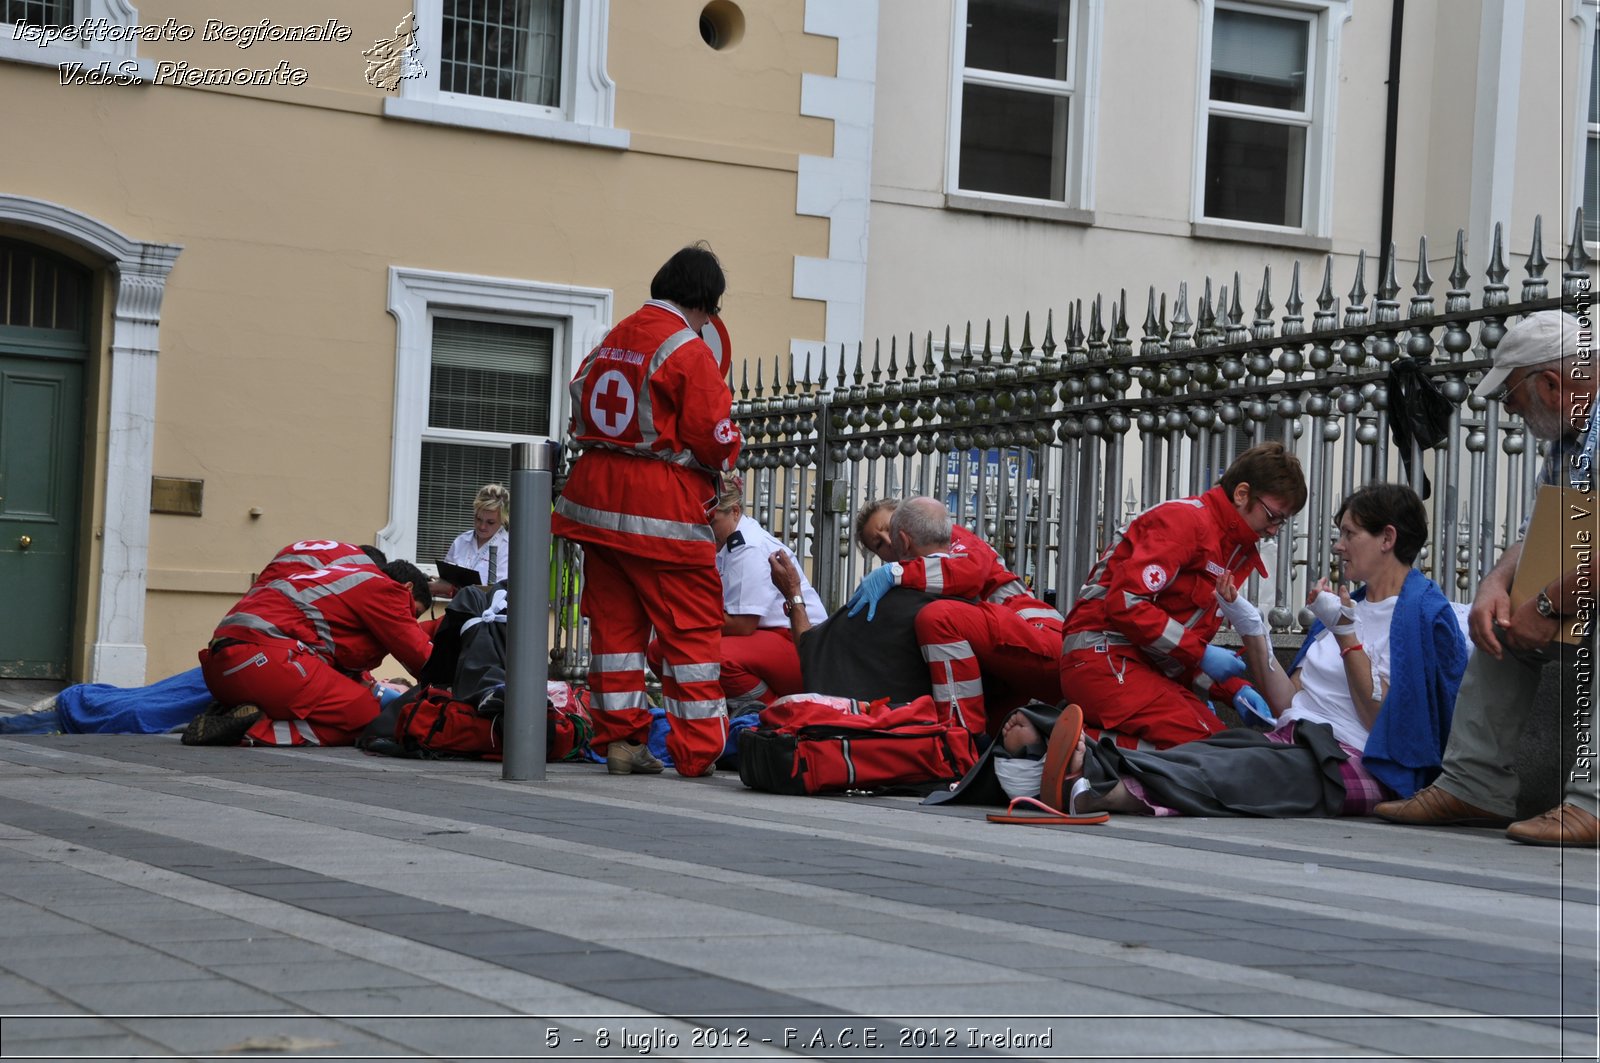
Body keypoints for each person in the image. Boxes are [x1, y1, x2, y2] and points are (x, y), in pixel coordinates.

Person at [1376, 310, 1600, 846]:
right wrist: (1496, 586)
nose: (1510, 408)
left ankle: (1593, 803)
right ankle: (1473, 785)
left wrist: (1546, 605)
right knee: (1501, 626)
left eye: (1513, 395)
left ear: (1550, 382)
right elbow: (1539, 531)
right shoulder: (1571, 437)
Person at [551, 243, 741, 778]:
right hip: (660, 508)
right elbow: (713, 435)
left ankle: (622, 742)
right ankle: (698, 751)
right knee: (692, 629)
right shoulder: (688, 347)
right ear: (707, 302)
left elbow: (580, 400)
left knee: (615, 632)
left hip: (594, 499)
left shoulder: (613, 338)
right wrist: (729, 451)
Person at [1059, 441, 1307, 748]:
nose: (1274, 530)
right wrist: (1202, 655)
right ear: (1242, 494)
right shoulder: (1187, 523)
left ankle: (1078, 746)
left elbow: (1172, 644)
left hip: (1131, 664)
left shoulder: (1227, 546)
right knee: (1209, 749)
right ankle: (1067, 744)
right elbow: (1126, 604)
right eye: (1273, 516)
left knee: (1224, 748)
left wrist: (1232, 689)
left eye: (1282, 522)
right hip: (1104, 658)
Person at [847, 496, 1064, 739]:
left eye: (888, 529)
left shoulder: (949, 536)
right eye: (878, 544)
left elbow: (968, 574)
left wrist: (896, 572)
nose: (889, 542)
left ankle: (960, 740)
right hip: (1011, 675)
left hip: (1041, 637)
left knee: (938, 618)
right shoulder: (913, 577)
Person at [196, 551, 434, 748]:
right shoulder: (388, 590)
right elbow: (418, 653)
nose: (408, 619)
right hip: (263, 660)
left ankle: (230, 715)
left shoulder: (340, 577)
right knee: (366, 716)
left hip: (222, 668)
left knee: (340, 698)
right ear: (407, 588)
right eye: (413, 612)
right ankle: (252, 729)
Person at [699, 473, 826, 706]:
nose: (706, 529)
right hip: (767, 638)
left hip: (796, 641)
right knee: (663, 651)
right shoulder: (726, 544)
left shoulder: (749, 546)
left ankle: (774, 713)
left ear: (735, 512)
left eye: (712, 522)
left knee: (712, 657)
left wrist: (686, 618)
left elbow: (742, 624)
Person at [431, 483, 510, 597]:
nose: (482, 526)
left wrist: (452, 589)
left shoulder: (509, 549)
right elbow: (447, 579)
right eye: (478, 519)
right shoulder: (461, 541)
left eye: (490, 522)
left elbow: (500, 594)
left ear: (503, 520)